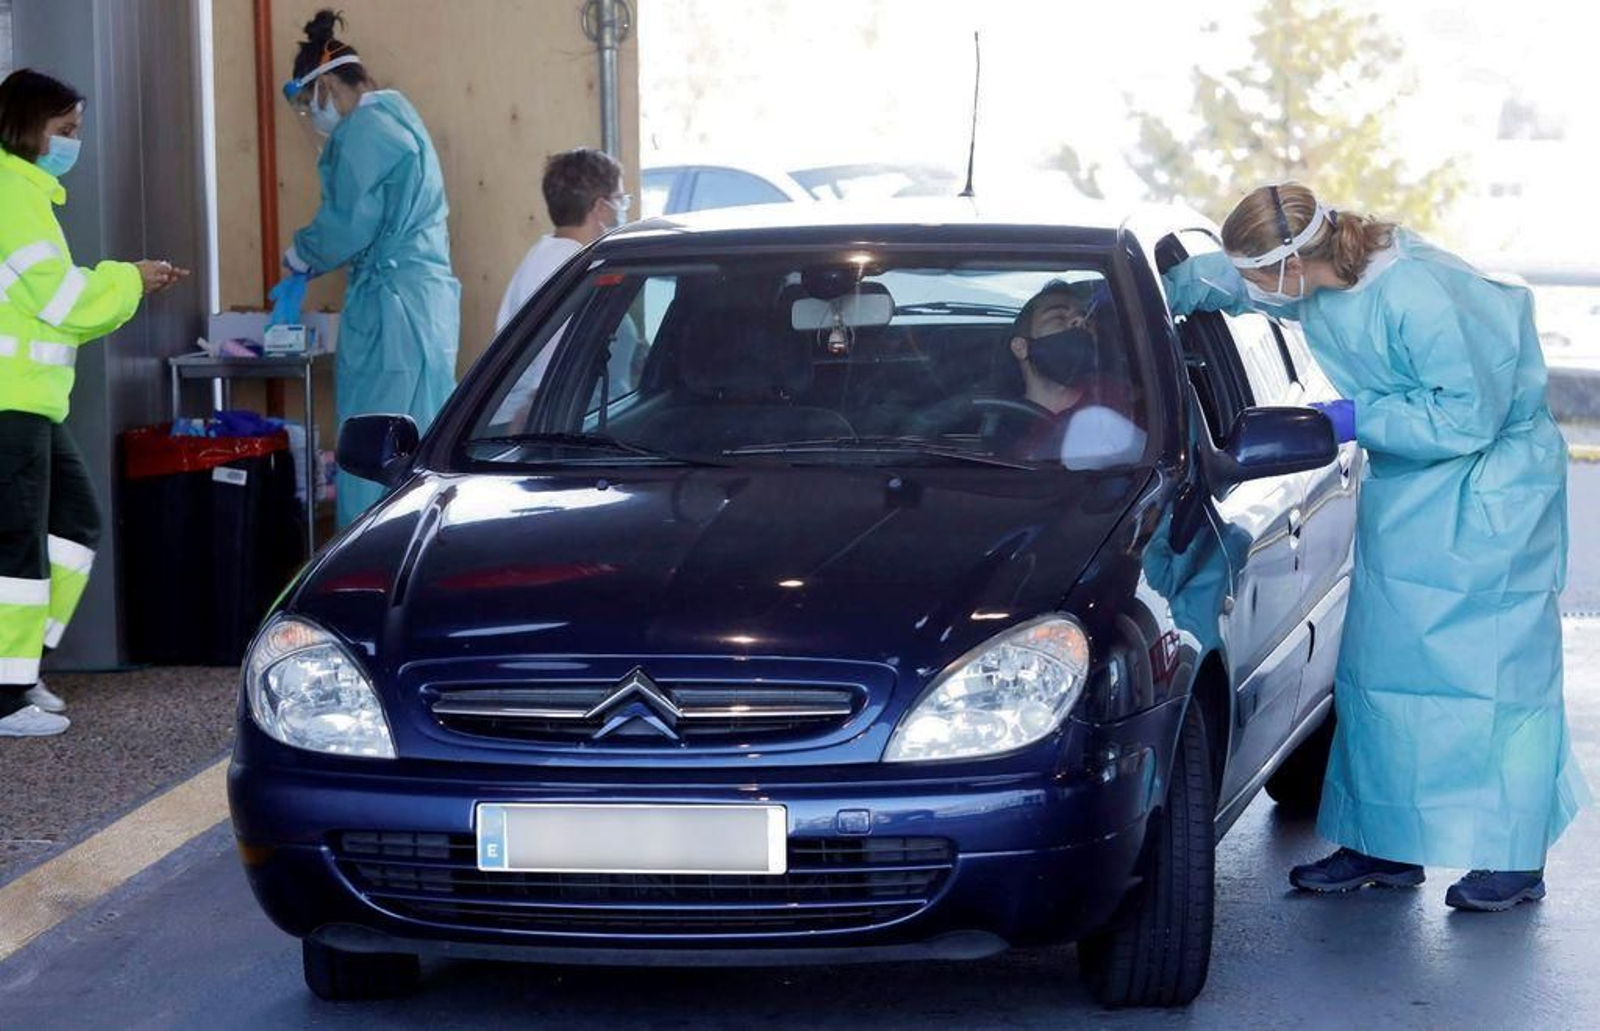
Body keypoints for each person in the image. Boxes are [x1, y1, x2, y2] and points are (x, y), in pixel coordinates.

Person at [1164, 181, 1589, 911]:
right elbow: (1235, 282)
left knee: (1494, 683)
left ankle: (1514, 858)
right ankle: (1383, 844)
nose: (1259, 291)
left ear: (1293, 262)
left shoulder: (1418, 292)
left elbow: (1469, 415)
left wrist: (1358, 415)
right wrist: (1164, 286)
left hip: (1486, 497)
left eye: (1264, 275)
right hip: (1412, 495)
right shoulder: (1317, 276)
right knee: (1382, 673)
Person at [0, 69, 187, 737]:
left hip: (31, 403)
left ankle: (21, 667)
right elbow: (62, 303)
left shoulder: (28, 193)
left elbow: (60, 307)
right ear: (27, 126)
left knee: (72, 526)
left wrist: (130, 284)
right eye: (66, 131)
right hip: (10, 403)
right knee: (19, 543)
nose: (74, 142)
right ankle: (7, 691)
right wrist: (128, 279)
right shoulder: (10, 194)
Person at [279, 9, 459, 527]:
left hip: (392, 313)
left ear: (330, 85)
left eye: (310, 103)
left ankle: (367, 566)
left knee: (375, 446)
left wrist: (300, 256)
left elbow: (348, 222)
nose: (313, 117)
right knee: (423, 439)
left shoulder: (365, 131)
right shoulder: (399, 117)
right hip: (422, 305)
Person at [989, 280, 1143, 468]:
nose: (1079, 321)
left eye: (1084, 317)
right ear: (1021, 347)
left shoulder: (1122, 395)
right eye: (1058, 317)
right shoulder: (1004, 424)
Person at [495, 147, 629, 332]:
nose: (622, 208)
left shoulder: (539, 258)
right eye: (620, 199)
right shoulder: (578, 269)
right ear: (600, 206)